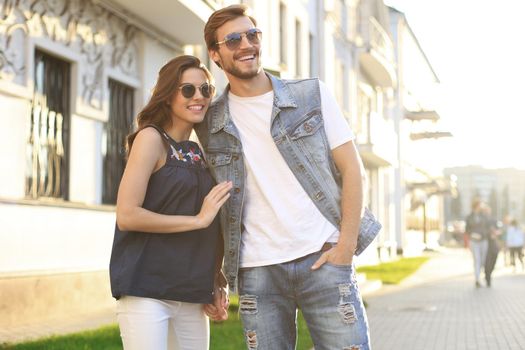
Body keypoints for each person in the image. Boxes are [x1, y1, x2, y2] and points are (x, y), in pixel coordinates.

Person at [196, 5, 381, 349]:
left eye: (253, 35)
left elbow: (352, 169)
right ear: (215, 54)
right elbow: (219, 204)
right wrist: (215, 273)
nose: (246, 44)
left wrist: (345, 246)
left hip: (323, 257)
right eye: (233, 39)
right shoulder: (209, 123)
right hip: (257, 271)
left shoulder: (310, 94)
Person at [109, 55, 232, 350]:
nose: (199, 97)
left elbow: (213, 224)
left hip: (192, 291)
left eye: (206, 89)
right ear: (167, 96)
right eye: (187, 90)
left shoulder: (202, 152)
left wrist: (217, 278)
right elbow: (127, 215)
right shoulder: (151, 139)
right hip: (147, 289)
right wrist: (197, 220)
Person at [465, 200, 490, 287]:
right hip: (474, 241)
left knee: (482, 260)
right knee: (477, 260)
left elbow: (488, 227)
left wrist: (483, 234)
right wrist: (473, 234)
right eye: (480, 205)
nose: (481, 207)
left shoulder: (484, 216)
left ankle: (480, 275)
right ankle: (477, 279)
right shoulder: (469, 217)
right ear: (476, 206)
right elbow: (467, 229)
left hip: (483, 240)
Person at [482, 206, 500, 287]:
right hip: (485, 242)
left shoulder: (493, 219)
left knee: (494, 257)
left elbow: (498, 229)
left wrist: (496, 233)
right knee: (487, 261)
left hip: (493, 242)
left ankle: (489, 274)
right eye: (485, 211)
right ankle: (488, 277)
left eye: (488, 210)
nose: (487, 212)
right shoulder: (481, 220)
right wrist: (489, 233)